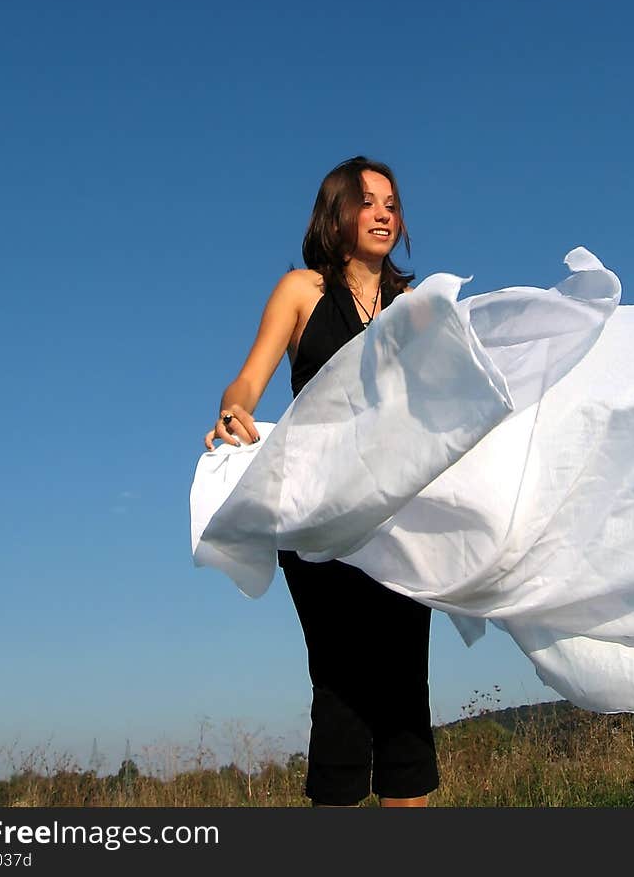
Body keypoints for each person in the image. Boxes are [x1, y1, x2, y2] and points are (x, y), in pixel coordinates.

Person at [203, 155, 439, 808]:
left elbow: (443, 403)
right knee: (340, 684)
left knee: (402, 687)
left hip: (396, 517)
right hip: (317, 516)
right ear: (336, 214)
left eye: (391, 201)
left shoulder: (413, 307)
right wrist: (236, 408)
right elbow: (248, 377)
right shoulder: (301, 291)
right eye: (367, 200)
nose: (385, 212)